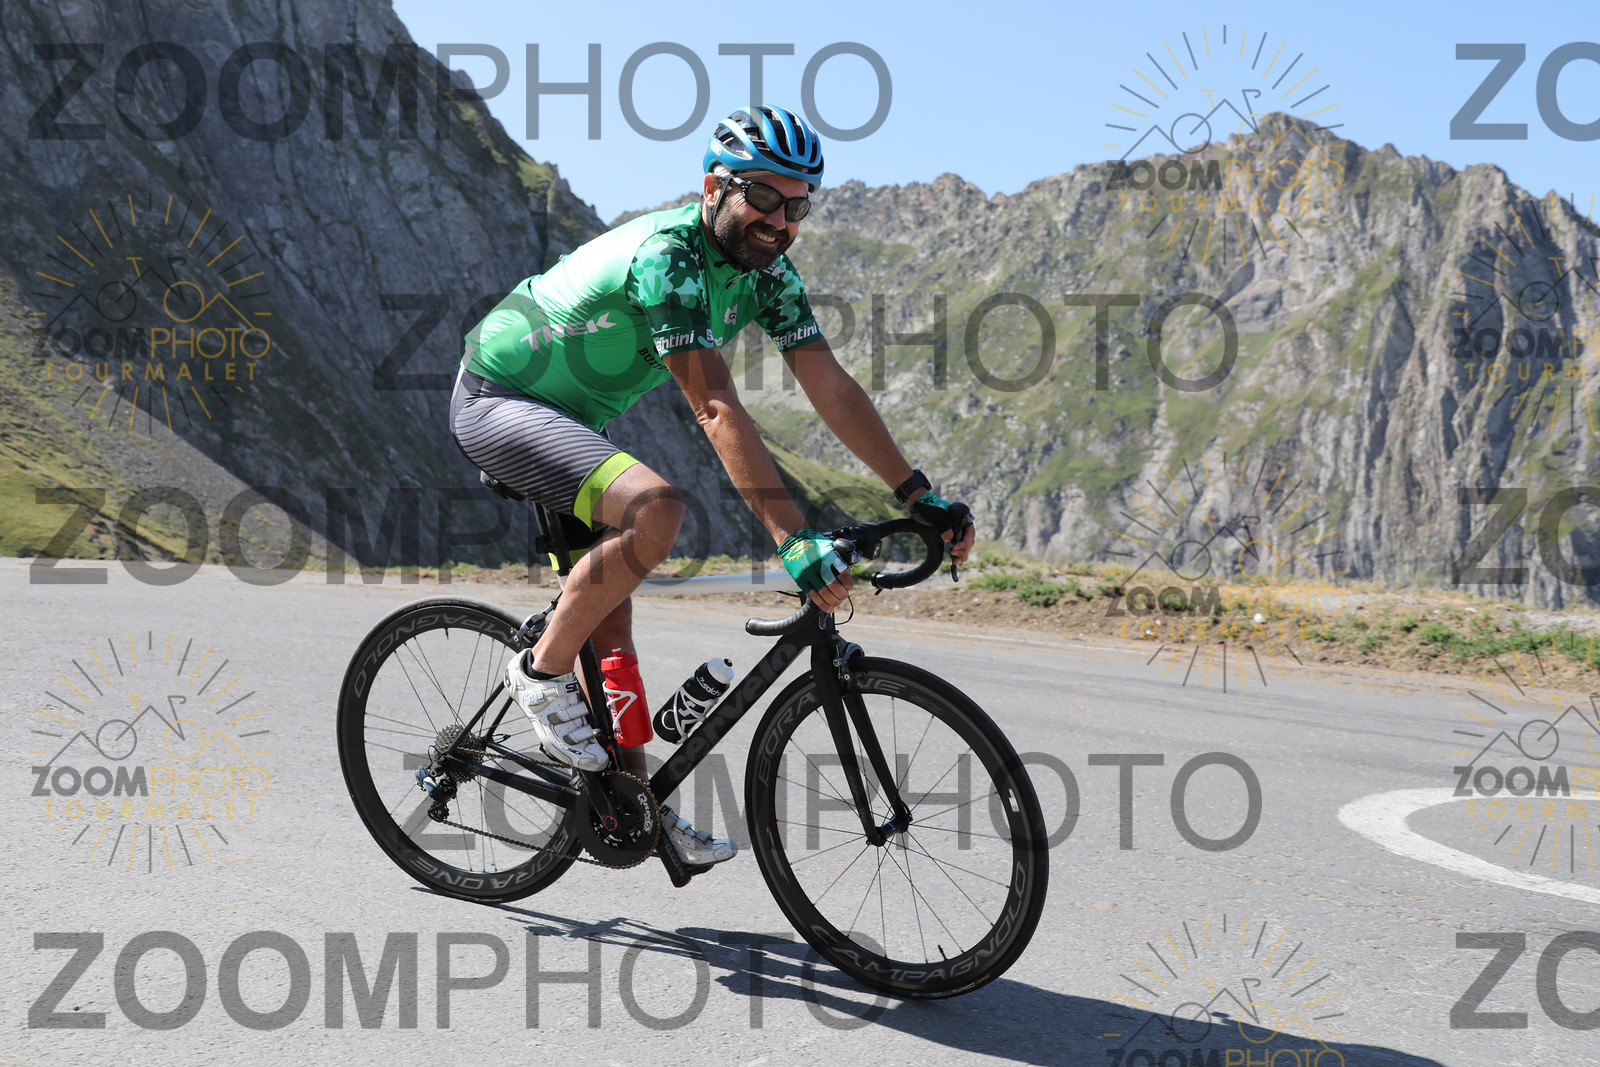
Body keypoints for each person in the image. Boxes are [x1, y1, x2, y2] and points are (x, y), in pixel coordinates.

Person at [450, 105, 974, 866]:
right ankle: (539, 673)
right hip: (500, 399)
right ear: (713, 188)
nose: (780, 221)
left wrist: (916, 493)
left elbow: (832, 390)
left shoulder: (770, 276)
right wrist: (792, 540)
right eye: (763, 197)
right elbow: (715, 405)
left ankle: (634, 806)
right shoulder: (669, 255)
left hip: (572, 419)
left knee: (610, 624)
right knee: (656, 511)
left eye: (798, 206)